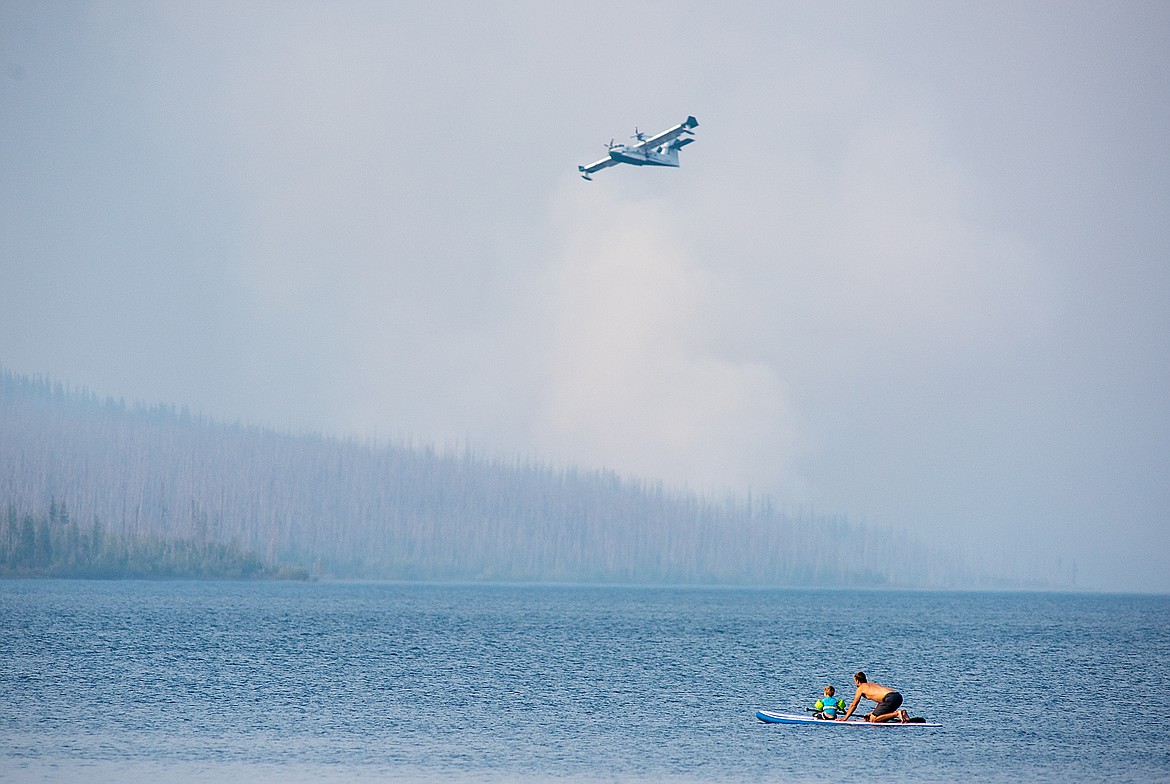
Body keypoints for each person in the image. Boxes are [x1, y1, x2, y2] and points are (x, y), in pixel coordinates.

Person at [838, 671, 910, 723]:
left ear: (857, 680)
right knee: (879, 717)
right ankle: (903, 714)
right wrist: (873, 712)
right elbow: (882, 702)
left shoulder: (860, 688)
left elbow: (854, 705)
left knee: (873, 719)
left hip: (890, 698)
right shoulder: (871, 684)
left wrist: (845, 718)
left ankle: (897, 714)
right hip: (897, 696)